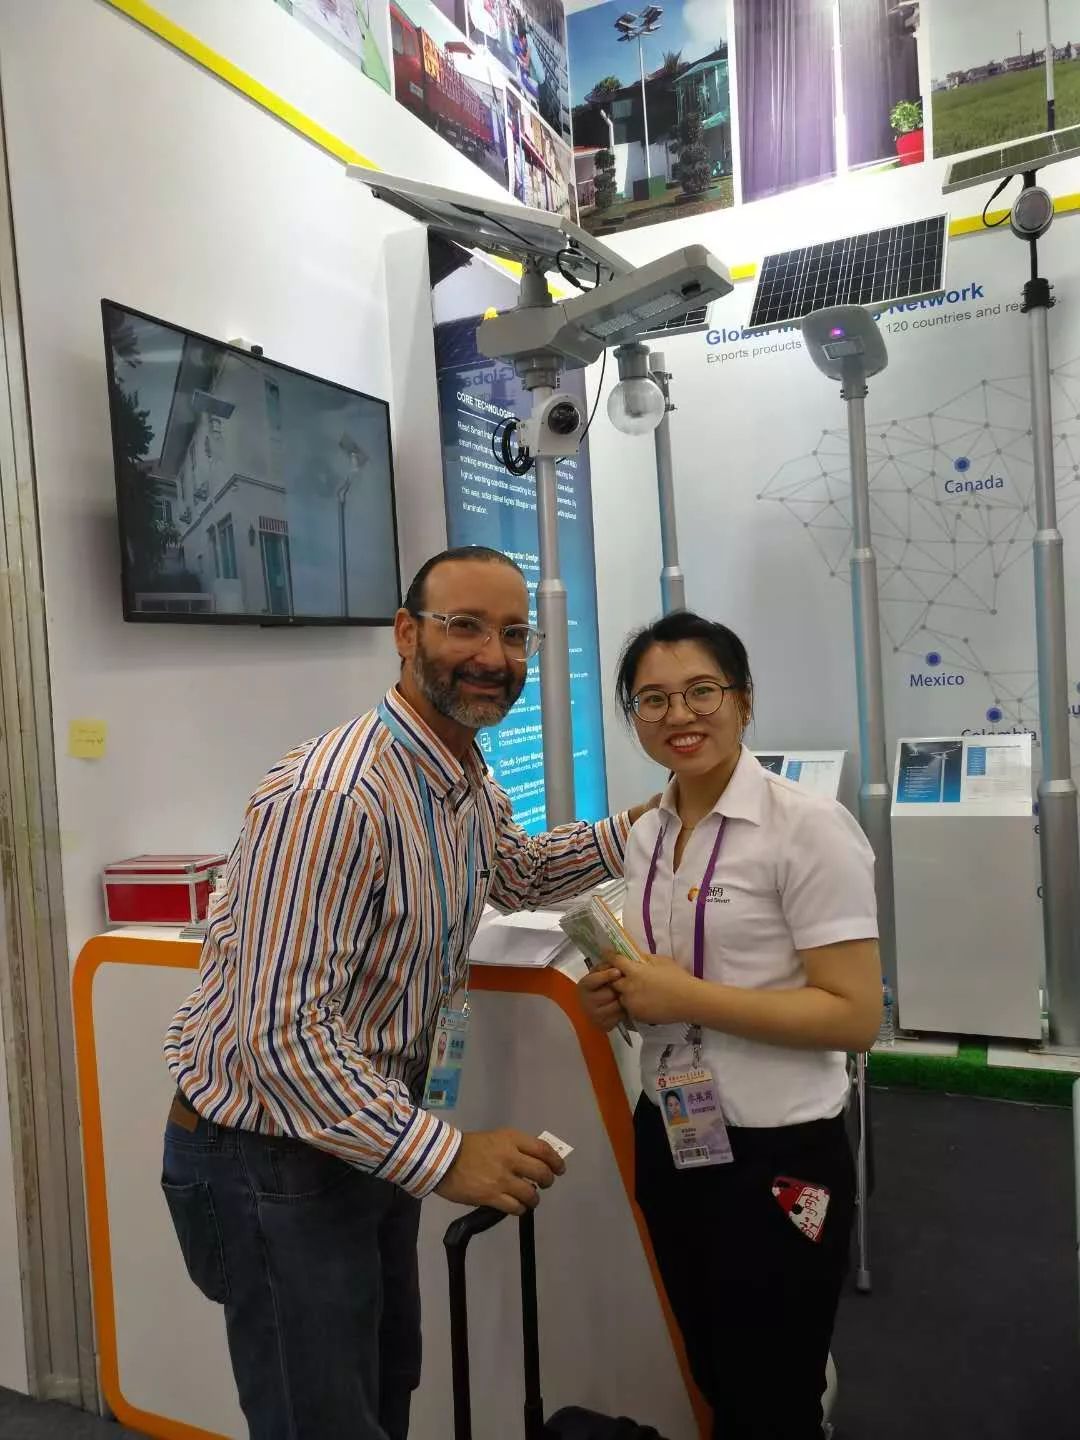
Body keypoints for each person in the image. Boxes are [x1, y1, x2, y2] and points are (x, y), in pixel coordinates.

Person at [162, 545, 657, 1440]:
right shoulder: (333, 797)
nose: (494, 656)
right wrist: (444, 1157)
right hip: (271, 1157)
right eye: (464, 626)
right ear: (404, 633)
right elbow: (280, 1038)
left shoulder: (460, 774)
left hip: (365, 1136)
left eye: (515, 634)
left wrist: (651, 822)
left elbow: (518, 871)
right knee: (323, 1418)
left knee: (385, 1385)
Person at [578, 611, 881, 1440]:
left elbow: (855, 1015)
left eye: (701, 691)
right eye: (653, 699)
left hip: (778, 1152)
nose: (679, 715)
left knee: (772, 1394)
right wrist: (621, 998)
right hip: (671, 1135)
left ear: (743, 700)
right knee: (710, 1369)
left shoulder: (806, 826)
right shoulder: (646, 834)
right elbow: (664, 981)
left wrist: (685, 998)